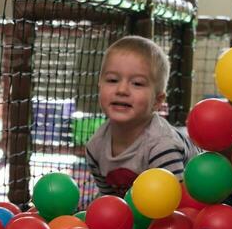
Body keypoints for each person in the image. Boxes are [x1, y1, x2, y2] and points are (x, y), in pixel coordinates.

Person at [83, 35, 196, 197]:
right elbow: (111, 200)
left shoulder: (162, 146)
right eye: (113, 80)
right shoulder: (95, 148)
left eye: (137, 83)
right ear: (99, 86)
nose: (121, 90)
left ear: (157, 101)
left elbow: (176, 203)